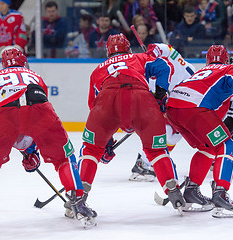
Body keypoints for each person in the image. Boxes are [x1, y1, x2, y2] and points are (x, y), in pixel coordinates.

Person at [0, 48, 96, 228]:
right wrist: (31, 152)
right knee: (63, 157)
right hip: (39, 106)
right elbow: (32, 118)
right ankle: (78, 202)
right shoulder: (35, 77)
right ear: (24, 62)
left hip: (5, 111)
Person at [74, 34, 186, 216]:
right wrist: (160, 94)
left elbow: (94, 105)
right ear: (128, 48)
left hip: (107, 102)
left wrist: (106, 141)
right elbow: (164, 67)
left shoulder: (97, 70)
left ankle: (78, 199)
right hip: (141, 100)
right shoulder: (139, 57)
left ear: (107, 52)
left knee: (91, 150)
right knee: (156, 151)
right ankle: (174, 193)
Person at [166, 45, 233, 218]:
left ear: (207, 60)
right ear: (227, 60)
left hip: (173, 108)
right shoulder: (228, 69)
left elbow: (214, 118)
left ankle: (191, 193)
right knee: (227, 146)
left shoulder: (201, 74)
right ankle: (220, 195)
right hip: (195, 108)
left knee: (208, 147)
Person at [129, 43, 196, 182]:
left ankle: (151, 160)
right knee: (164, 132)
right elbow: (158, 48)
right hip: (157, 103)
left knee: (174, 135)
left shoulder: (184, 71)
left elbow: (166, 48)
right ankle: (145, 163)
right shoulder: (154, 67)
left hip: (174, 103)